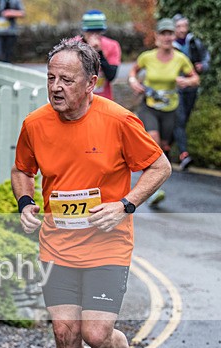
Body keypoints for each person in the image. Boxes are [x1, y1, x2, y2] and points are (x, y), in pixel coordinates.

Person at [11, 38, 171, 348]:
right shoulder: (35, 124)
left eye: (67, 79)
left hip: (107, 244)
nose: (56, 87)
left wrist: (126, 205)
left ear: (91, 83)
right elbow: (22, 171)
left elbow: (159, 166)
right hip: (57, 245)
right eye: (50, 78)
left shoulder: (118, 120)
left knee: (96, 334)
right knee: (65, 334)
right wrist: (26, 203)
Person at [128, 18, 199, 205]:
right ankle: (152, 191)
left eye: (170, 34)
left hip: (170, 109)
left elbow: (195, 79)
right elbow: (133, 72)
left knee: (164, 148)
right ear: (157, 37)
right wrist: (134, 82)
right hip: (149, 107)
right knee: (155, 145)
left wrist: (186, 81)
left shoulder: (180, 58)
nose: (167, 37)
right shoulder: (147, 57)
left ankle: (155, 182)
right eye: (163, 33)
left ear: (174, 36)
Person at [172, 14, 211, 171]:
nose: (182, 30)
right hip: (175, 89)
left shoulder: (194, 42)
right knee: (179, 119)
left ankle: (167, 146)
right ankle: (184, 154)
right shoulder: (170, 45)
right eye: (179, 27)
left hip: (192, 87)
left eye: (184, 26)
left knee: (184, 119)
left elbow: (206, 58)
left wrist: (203, 66)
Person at [79, 10, 121, 101]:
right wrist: (87, 50)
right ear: (83, 31)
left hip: (103, 99)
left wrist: (99, 53)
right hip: (78, 99)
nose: (94, 36)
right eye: (90, 32)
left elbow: (111, 76)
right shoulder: (72, 45)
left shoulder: (112, 45)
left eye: (98, 32)